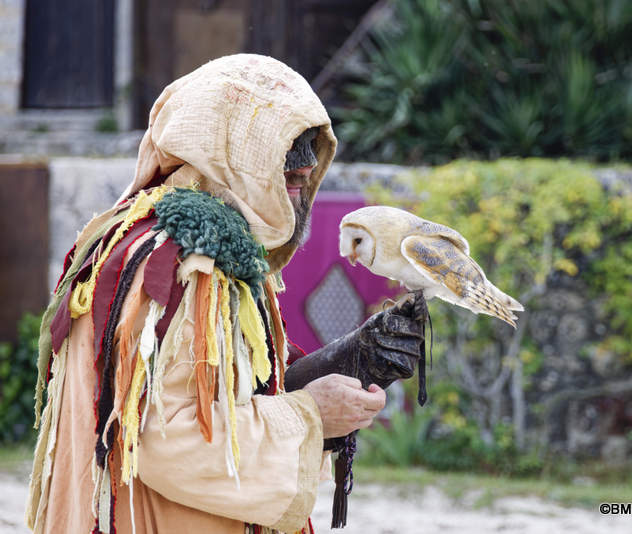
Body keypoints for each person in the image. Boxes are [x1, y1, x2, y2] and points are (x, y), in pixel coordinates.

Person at [25, 54, 424, 534]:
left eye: (304, 180)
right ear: (235, 161)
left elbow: (223, 397)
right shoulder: (187, 263)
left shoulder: (159, 236)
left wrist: (344, 363)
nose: (298, 196)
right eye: (287, 178)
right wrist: (311, 415)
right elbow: (165, 439)